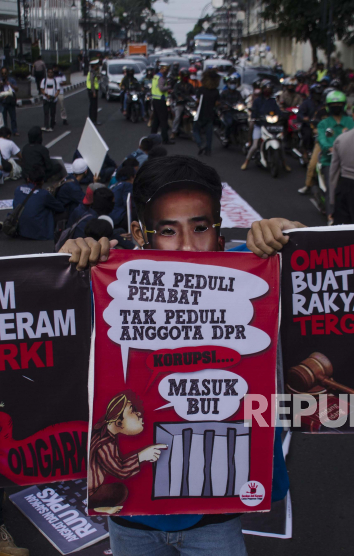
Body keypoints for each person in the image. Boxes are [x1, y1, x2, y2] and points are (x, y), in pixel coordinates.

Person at [59, 155, 292, 555]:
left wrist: (298, 237)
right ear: (138, 233)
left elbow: (320, 275)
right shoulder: (106, 285)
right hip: (132, 515)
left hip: (216, 515)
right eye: (168, 230)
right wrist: (66, 269)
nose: (187, 244)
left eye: (200, 227)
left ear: (220, 232)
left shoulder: (253, 279)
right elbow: (50, 332)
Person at [299, 91, 354, 204]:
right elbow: (317, 130)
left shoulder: (351, 121)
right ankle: (308, 184)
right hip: (325, 147)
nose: (336, 107)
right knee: (313, 164)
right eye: (333, 105)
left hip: (346, 154)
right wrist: (329, 148)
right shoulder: (321, 114)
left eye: (339, 104)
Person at [242, 82, 288, 172]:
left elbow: (278, 112)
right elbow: (254, 113)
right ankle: (246, 161)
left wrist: (282, 115)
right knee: (255, 146)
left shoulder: (273, 101)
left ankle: (284, 164)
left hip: (271, 126)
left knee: (281, 144)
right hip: (260, 125)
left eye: (269, 89)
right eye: (266, 89)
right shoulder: (257, 101)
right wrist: (255, 117)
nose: (268, 90)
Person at [13, 166, 66, 241]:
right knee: (59, 211)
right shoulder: (44, 194)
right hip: (39, 233)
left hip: (19, 230)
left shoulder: (18, 189)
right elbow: (60, 208)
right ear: (42, 181)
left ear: (28, 179)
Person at [194, 70, 220, 156]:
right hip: (210, 114)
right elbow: (217, 103)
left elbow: (197, 101)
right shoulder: (216, 91)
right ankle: (208, 150)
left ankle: (200, 144)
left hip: (200, 114)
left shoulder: (201, 90)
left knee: (196, 130)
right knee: (209, 133)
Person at [150, 62, 173, 145]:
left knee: (156, 119)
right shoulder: (161, 77)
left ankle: (152, 137)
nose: (168, 71)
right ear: (163, 68)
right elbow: (161, 88)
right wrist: (170, 86)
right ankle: (165, 139)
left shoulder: (156, 76)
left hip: (155, 100)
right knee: (163, 120)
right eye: (167, 69)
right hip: (160, 100)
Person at [170, 68, 194, 139]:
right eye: (184, 76)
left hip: (189, 104)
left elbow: (194, 93)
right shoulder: (177, 85)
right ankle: (173, 132)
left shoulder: (190, 85)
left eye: (187, 76)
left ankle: (195, 132)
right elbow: (175, 93)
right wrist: (179, 98)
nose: (185, 77)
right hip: (180, 103)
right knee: (177, 117)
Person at [0, 66, 19, 136]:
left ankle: (14, 130)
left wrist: (10, 84)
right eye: (2, 73)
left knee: (13, 117)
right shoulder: (0, 80)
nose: (4, 74)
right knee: (4, 118)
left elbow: (17, 89)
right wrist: (1, 84)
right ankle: (5, 132)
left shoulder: (11, 80)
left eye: (5, 73)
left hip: (10, 100)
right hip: (3, 101)